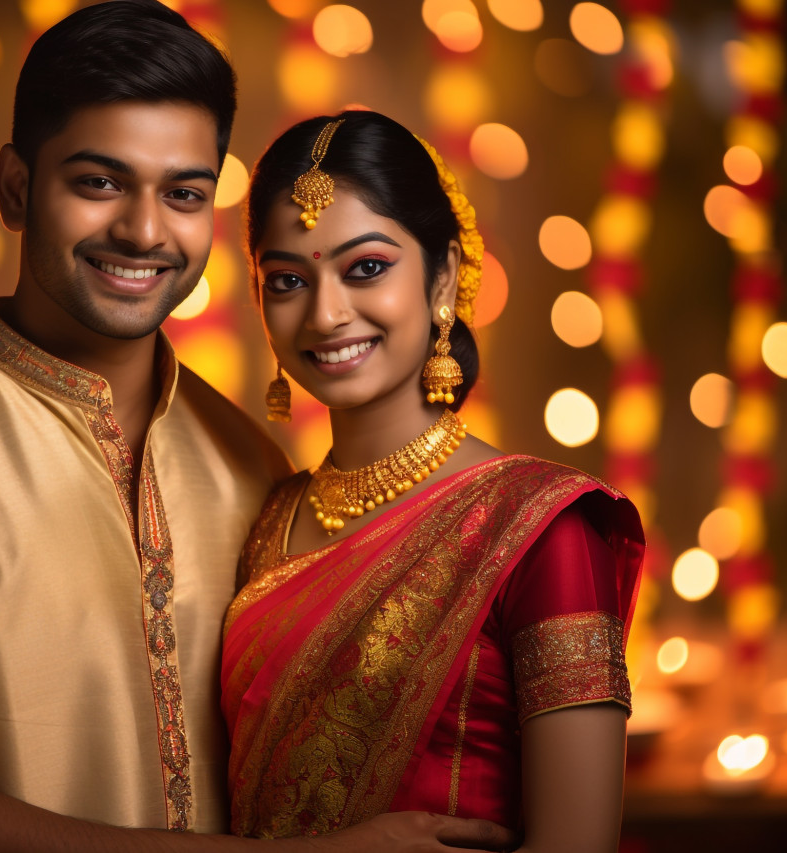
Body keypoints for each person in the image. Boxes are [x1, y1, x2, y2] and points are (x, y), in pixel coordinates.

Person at [0, 3, 516, 851]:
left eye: (183, 194)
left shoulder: (253, 466)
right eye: (99, 182)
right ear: (16, 188)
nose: (143, 230)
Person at [222, 110, 645, 852]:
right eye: (288, 279)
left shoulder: (544, 527)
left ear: (444, 275)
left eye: (366, 268)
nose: (325, 313)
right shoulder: (263, 521)